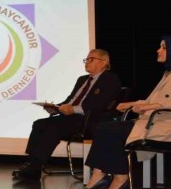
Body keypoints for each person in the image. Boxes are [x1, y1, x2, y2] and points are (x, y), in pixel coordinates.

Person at [79, 36, 171, 189]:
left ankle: (119, 176)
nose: (158, 50)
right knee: (105, 127)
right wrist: (132, 103)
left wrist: (150, 106)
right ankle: (99, 174)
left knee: (112, 130)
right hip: (158, 121)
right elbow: (153, 100)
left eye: (163, 47)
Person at [12, 49, 122, 180]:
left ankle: (34, 167)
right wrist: (56, 108)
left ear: (104, 62)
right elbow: (70, 100)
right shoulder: (82, 79)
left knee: (54, 127)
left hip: (88, 120)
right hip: (69, 117)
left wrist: (73, 110)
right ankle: (32, 164)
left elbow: (100, 104)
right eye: (86, 59)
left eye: (91, 59)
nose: (87, 62)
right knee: (39, 124)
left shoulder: (110, 79)